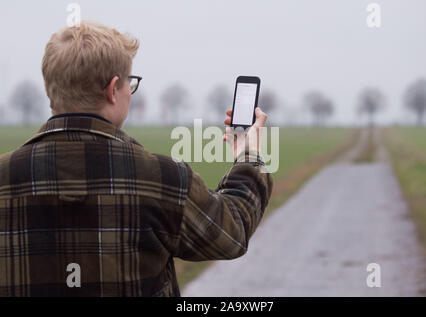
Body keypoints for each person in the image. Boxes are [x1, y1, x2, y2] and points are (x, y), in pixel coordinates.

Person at [0, 21, 273, 297]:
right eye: (130, 83)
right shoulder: (164, 179)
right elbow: (231, 232)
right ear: (113, 89)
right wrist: (249, 156)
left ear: (51, 89)